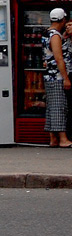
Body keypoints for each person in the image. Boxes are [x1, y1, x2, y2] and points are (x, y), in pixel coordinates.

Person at [42, 8, 72, 148]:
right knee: (59, 107)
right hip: (57, 76)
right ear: (63, 20)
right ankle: (63, 139)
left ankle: (53, 138)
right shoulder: (55, 36)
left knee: (52, 107)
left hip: (50, 75)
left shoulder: (47, 33)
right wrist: (66, 78)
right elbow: (59, 58)